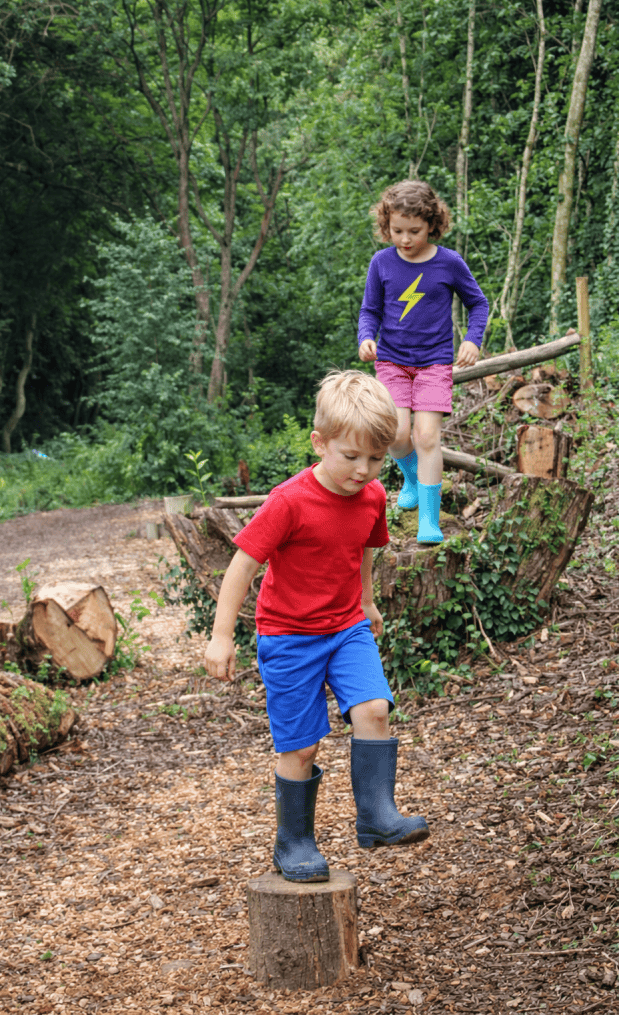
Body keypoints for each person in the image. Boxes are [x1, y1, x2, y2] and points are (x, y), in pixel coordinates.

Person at [204, 370, 429, 884]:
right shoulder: (289, 501)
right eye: (351, 457)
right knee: (300, 747)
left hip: (346, 627)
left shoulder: (372, 497)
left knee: (373, 708)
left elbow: (368, 548)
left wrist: (367, 600)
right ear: (320, 443)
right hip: (288, 637)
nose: (364, 470)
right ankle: (294, 841)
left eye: (376, 459)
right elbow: (242, 565)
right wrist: (221, 637)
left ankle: (376, 817)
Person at [358, 179, 489, 543]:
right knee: (397, 436)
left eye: (414, 231)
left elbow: (478, 303)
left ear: (432, 223)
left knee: (427, 436)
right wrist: (365, 337)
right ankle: (413, 478)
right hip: (392, 361)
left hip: (434, 362)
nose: (405, 239)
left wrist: (472, 340)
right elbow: (370, 310)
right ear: (387, 226)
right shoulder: (381, 262)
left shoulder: (449, 263)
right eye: (397, 230)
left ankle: (428, 520)